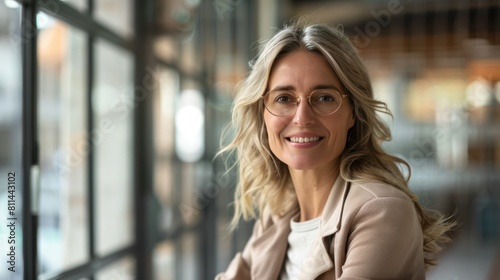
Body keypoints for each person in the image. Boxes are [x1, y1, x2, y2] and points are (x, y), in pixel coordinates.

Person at [215, 23, 455, 280]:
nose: (302, 118)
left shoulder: (381, 210)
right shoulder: (277, 215)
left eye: (324, 98)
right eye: (284, 98)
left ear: (352, 112)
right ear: (262, 114)